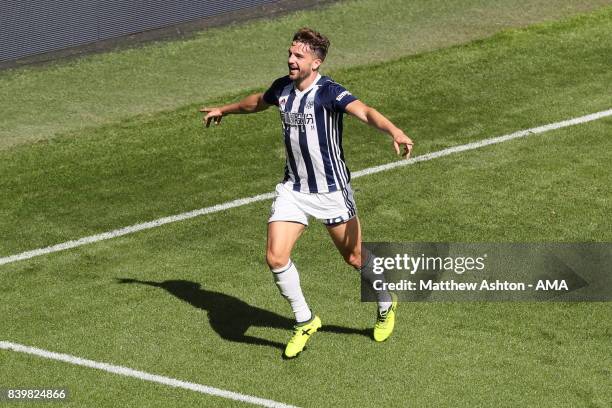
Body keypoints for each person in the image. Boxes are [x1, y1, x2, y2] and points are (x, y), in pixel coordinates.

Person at [200, 27, 413, 358]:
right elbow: (256, 102)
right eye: (290, 53)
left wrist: (395, 131)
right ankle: (305, 319)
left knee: (355, 257)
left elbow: (366, 112)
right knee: (275, 256)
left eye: (298, 56)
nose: (291, 59)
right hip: (294, 189)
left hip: (331, 191)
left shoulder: (330, 92)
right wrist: (223, 110)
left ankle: (386, 302)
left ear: (316, 62)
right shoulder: (283, 89)